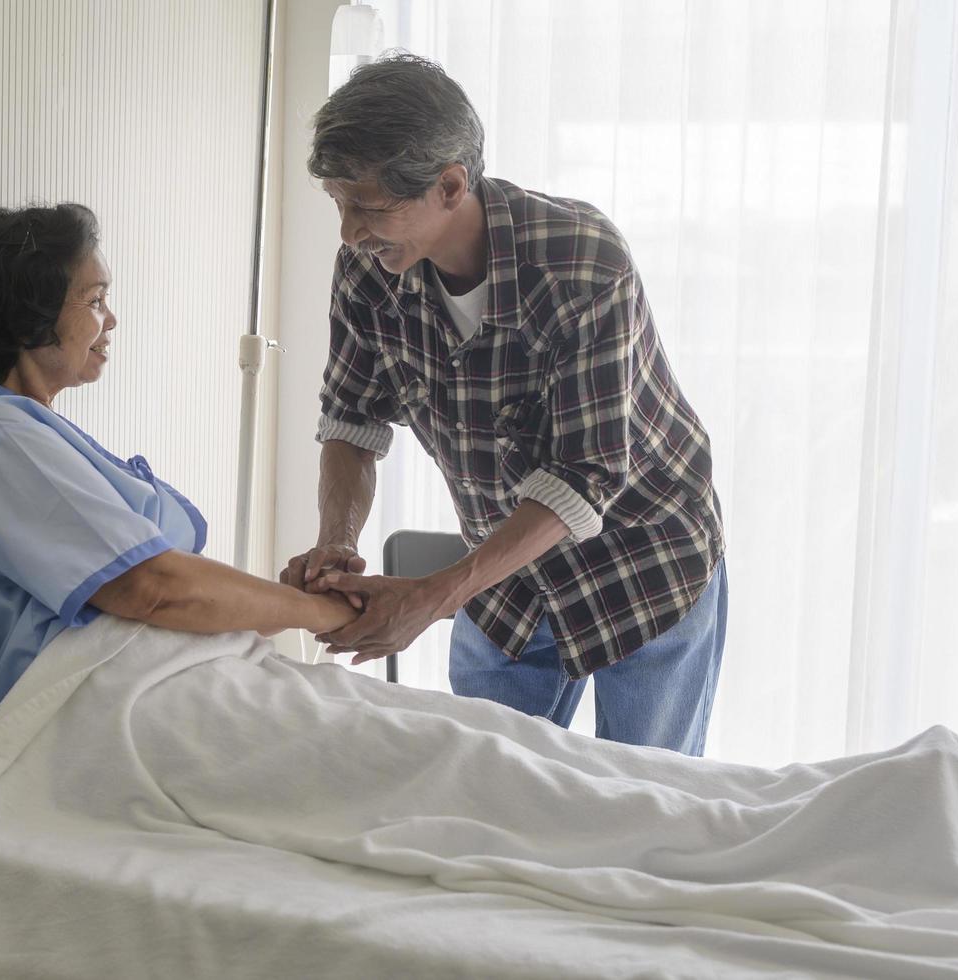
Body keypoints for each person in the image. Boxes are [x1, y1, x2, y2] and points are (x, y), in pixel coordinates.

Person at [280, 54, 727, 755]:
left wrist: (431, 598)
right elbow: (352, 419)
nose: (349, 233)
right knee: (490, 790)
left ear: (451, 185)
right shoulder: (367, 270)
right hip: (505, 581)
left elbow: (583, 476)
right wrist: (337, 540)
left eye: (368, 208)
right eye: (339, 204)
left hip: (646, 564)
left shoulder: (582, 262)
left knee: (650, 801)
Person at [0, 203, 357, 701]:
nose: (111, 320)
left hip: (157, 676)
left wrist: (290, 604)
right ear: (28, 319)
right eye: (95, 300)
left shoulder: (21, 432)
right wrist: (326, 611)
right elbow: (151, 587)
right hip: (112, 691)